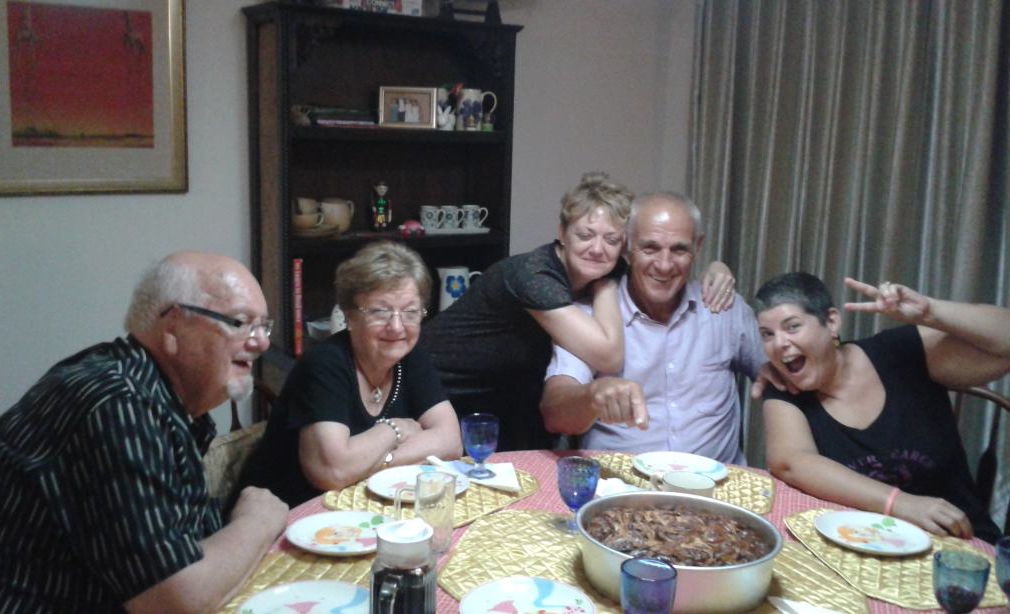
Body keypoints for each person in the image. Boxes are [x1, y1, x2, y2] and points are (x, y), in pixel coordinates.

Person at [0, 252, 289, 612]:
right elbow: (174, 599)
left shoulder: (163, 400)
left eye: (263, 327)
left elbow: (189, 548)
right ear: (174, 326)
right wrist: (257, 521)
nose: (262, 343)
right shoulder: (117, 403)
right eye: (240, 322)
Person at [420, 173, 736, 451]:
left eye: (611, 239)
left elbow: (669, 264)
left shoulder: (606, 271)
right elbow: (609, 356)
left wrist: (718, 268)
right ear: (562, 232)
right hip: (434, 382)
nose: (597, 248)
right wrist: (607, 286)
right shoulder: (534, 275)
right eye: (585, 235)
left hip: (501, 398)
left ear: (624, 243)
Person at [754, 273, 1010, 542]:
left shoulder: (900, 352)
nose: (779, 343)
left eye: (792, 327)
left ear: (831, 322)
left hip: (959, 542)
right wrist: (899, 503)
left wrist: (931, 312)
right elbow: (791, 462)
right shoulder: (784, 387)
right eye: (767, 334)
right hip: (864, 549)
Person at [540, 192, 765, 464]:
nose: (664, 264)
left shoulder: (725, 310)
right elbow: (554, 412)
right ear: (627, 247)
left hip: (717, 493)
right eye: (650, 248)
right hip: (620, 491)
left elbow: (779, 378)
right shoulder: (587, 318)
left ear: (698, 247)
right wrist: (592, 396)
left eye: (679, 249)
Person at [239, 241, 463, 508]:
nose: (396, 326)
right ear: (349, 315)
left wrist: (370, 460)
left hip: (359, 512)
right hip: (286, 518)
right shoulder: (324, 364)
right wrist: (396, 430)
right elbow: (331, 472)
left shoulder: (410, 357)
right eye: (380, 312)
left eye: (410, 312)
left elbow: (451, 442)